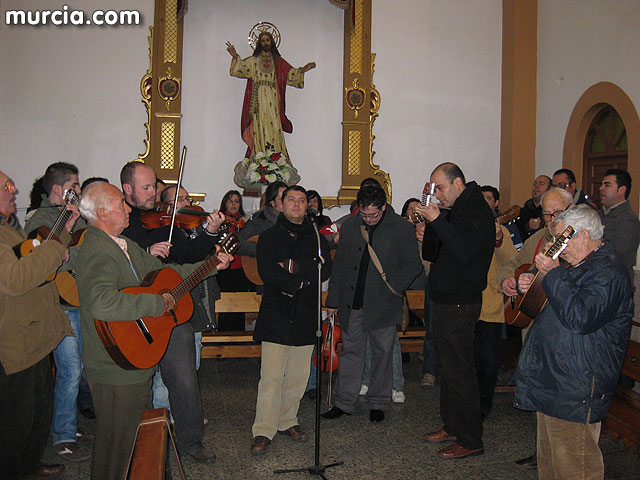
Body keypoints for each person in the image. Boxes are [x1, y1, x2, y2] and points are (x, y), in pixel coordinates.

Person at [76, 181, 232, 480]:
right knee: (117, 446)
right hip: (115, 362)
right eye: (121, 203)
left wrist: (211, 264)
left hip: (134, 358)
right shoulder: (97, 249)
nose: (128, 208)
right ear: (101, 212)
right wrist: (154, 304)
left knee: (136, 438)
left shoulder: (123, 245)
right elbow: (101, 301)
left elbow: (170, 277)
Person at [514, 205, 632, 480]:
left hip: (576, 386)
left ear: (583, 236)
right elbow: (552, 305)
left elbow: (580, 317)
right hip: (555, 380)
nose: (558, 246)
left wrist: (554, 275)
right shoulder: (579, 266)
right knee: (551, 464)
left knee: (575, 467)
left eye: (562, 239)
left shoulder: (609, 271)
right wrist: (532, 283)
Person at [119, 162, 225, 462]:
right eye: (147, 187)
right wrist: (143, 254)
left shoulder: (164, 222)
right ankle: (138, 444)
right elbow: (112, 260)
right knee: (138, 385)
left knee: (184, 379)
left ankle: (191, 442)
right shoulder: (120, 221)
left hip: (171, 314)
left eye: (154, 186)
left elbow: (190, 254)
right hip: (134, 316)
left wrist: (210, 232)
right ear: (127, 190)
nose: (155, 193)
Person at [321, 185, 422, 423]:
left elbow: (413, 265)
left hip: (384, 302)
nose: (368, 219)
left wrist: (394, 287)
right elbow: (341, 266)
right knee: (351, 352)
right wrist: (333, 300)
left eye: (373, 215)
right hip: (352, 301)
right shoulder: (351, 226)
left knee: (382, 353)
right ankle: (344, 402)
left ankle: (377, 402)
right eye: (364, 215)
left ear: (383, 208)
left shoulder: (402, 228)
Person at [0, 170, 76, 479]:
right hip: (17, 340)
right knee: (18, 417)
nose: (15, 188)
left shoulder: (7, 228)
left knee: (38, 411)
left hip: (34, 333)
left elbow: (32, 256)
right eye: (6, 185)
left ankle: (29, 463)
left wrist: (65, 230)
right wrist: (57, 249)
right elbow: (15, 280)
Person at [415, 162, 494, 459]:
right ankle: (452, 425)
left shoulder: (476, 209)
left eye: (441, 188)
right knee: (448, 369)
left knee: (461, 371)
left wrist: (438, 220)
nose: (437, 194)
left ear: (458, 183)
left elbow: (465, 251)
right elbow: (441, 250)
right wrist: (429, 232)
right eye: (434, 189)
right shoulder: (459, 209)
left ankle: (471, 439)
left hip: (461, 300)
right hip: (445, 296)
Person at [250, 186, 332, 454]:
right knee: (271, 377)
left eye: (301, 200)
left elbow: (325, 268)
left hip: (306, 313)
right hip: (277, 312)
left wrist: (292, 266)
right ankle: (263, 429)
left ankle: (288, 421)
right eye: (291, 200)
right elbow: (267, 272)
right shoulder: (269, 237)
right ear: (280, 205)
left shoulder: (317, 238)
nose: (297, 204)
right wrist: (300, 279)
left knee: (298, 376)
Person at [497, 186, 574, 470]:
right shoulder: (539, 239)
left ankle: (561, 457)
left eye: (558, 213)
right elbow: (514, 262)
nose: (552, 220)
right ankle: (543, 451)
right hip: (535, 325)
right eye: (546, 214)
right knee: (541, 390)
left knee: (560, 396)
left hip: (563, 329)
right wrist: (508, 281)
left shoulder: (577, 242)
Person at [24, 162, 90, 462]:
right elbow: (47, 260)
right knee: (70, 370)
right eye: (74, 186)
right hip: (59, 305)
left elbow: (88, 249)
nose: (78, 191)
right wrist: (69, 237)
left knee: (82, 369)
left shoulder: (79, 217)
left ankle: (69, 423)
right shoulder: (39, 218)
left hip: (81, 299)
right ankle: (63, 435)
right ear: (57, 189)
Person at [227, 31, 315, 183]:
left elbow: (290, 74)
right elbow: (240, 69)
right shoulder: (254, 60)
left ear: (272, 43)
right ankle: (258, 158)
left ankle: (277, 160)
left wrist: (302, 70)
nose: (266, 43)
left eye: (268, 40)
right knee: (259, 128)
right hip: (258, 101)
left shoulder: (278, 62)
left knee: (274, 128)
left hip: (274, 101)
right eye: (263, 40)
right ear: (259, 43)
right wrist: (235, 57)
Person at [475, 186, 517, 419]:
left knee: (487, 362)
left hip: (490, 306)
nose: (484, 202)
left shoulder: (502, 230)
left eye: (489, 198)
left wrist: (499, 238)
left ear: (496, 204)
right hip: (466, 305)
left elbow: (511, 260)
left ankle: (483, 406)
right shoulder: (470, 229)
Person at [217, 189, 253, 331]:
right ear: (224, 203)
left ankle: (238, 334)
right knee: (225, 304)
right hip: (225, 269)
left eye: (236, 201)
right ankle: (223, 335)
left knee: (240, 304)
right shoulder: (219, 221)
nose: (233, 204)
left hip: (241, 268)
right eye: (230, 201)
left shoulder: (245, 223)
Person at [598, 168, 640, 283]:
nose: (601, 188)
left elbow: (617, 255)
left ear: (621, 190)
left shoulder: (629, 220)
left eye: (607, 185)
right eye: (601, 184)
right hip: (598, 280)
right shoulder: (598, 214)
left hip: (616, 285)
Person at [236, 180, 287, 257]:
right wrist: (264, 249)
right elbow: (237, 243)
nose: (287, 202)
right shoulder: (259, 220)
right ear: (272, 202)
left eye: (289, 198)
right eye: (282, 199)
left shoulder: (295, 219)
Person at [516, 175, 551, 241]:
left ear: (549, 189)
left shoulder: (551, 210)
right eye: (535, 184)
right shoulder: (523, 211)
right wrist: (528, 227)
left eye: (541, 183)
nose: (536, 186)